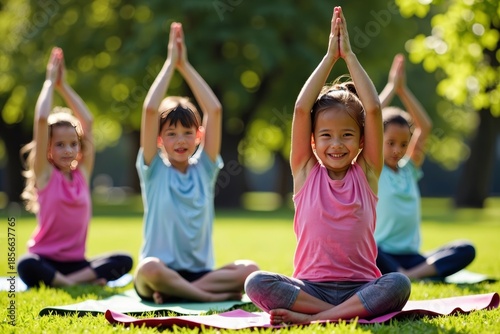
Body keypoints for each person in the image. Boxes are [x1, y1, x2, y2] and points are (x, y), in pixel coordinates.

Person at [244, 7, 411, 325]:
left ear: (361, 142)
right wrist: (328, 58)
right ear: (312, 141)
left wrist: (348, 56)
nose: (336, 144)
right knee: (256, 282)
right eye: (326, 136)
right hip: (310, 289)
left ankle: (314, 319)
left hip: (361, 288)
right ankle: (334, 315)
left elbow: (374, 109)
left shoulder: (367, 173)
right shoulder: (305, 173)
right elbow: (301, 108)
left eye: (347, 135)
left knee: (398, 284)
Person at [133, 22, 259, 304]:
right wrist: (170, 64)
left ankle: (183, 293)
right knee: (148, 268)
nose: (180, 140)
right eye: (172, 133)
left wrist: (185, 65)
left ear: (199, 136)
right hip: (159, 272)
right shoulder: (153, 171)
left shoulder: (204, 170)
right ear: (159, 140)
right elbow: (150, 109)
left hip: (201, 274)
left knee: (250, 270)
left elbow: (214, 110)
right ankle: (205, 297)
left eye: (187, 132)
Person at [17, 47, 133, 288]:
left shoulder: (82, 173)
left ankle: (66, 282)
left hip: (77, 263)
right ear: (47, 149)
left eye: (73, 144)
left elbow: (87, 121)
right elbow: (41, 120)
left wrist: (63, 86)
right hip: (45, 260)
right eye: (59, 144)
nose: (68, 150)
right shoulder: (45, 174)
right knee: (25, 265)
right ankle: (77, 282)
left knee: (124, 260)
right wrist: (50, 82)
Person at [374, 53, 476, 280]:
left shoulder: (409, 169)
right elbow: (368, 119)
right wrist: (391, 87)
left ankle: (407, 275)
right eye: (390, 143)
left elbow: (425, 126)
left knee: (466, 249)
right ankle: (407, 274)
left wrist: (403, 91)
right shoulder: (373, 171)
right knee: (366, 246)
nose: (397, 150)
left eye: (403, 144)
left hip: (412, 257)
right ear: (377, 140)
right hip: (382, 255)